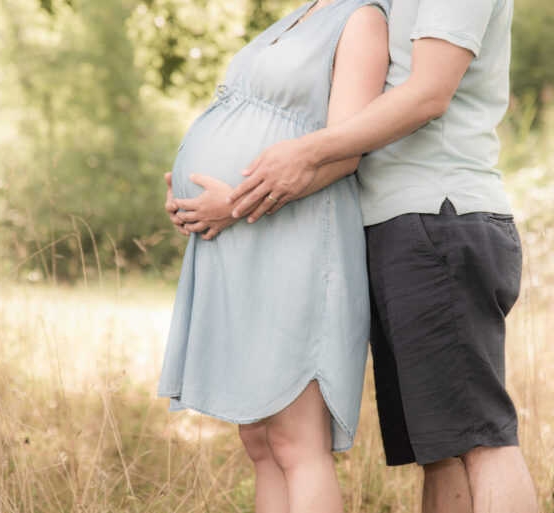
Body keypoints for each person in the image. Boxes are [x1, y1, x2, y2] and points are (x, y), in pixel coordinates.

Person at [166, 0, 539, 511]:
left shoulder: (374, 16)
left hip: (439, 215)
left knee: (479, 439)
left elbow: (430, 93)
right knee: (443, 451)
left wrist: (303, 153)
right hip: (393, 224)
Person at [156, 1, 390, 512]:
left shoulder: (363, 18)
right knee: (260, 442)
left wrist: (233, 202)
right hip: (247, 241)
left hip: (298, 237)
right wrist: (192, 199)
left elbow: (343, 150)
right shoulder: (301, 13)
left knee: (296, 441)